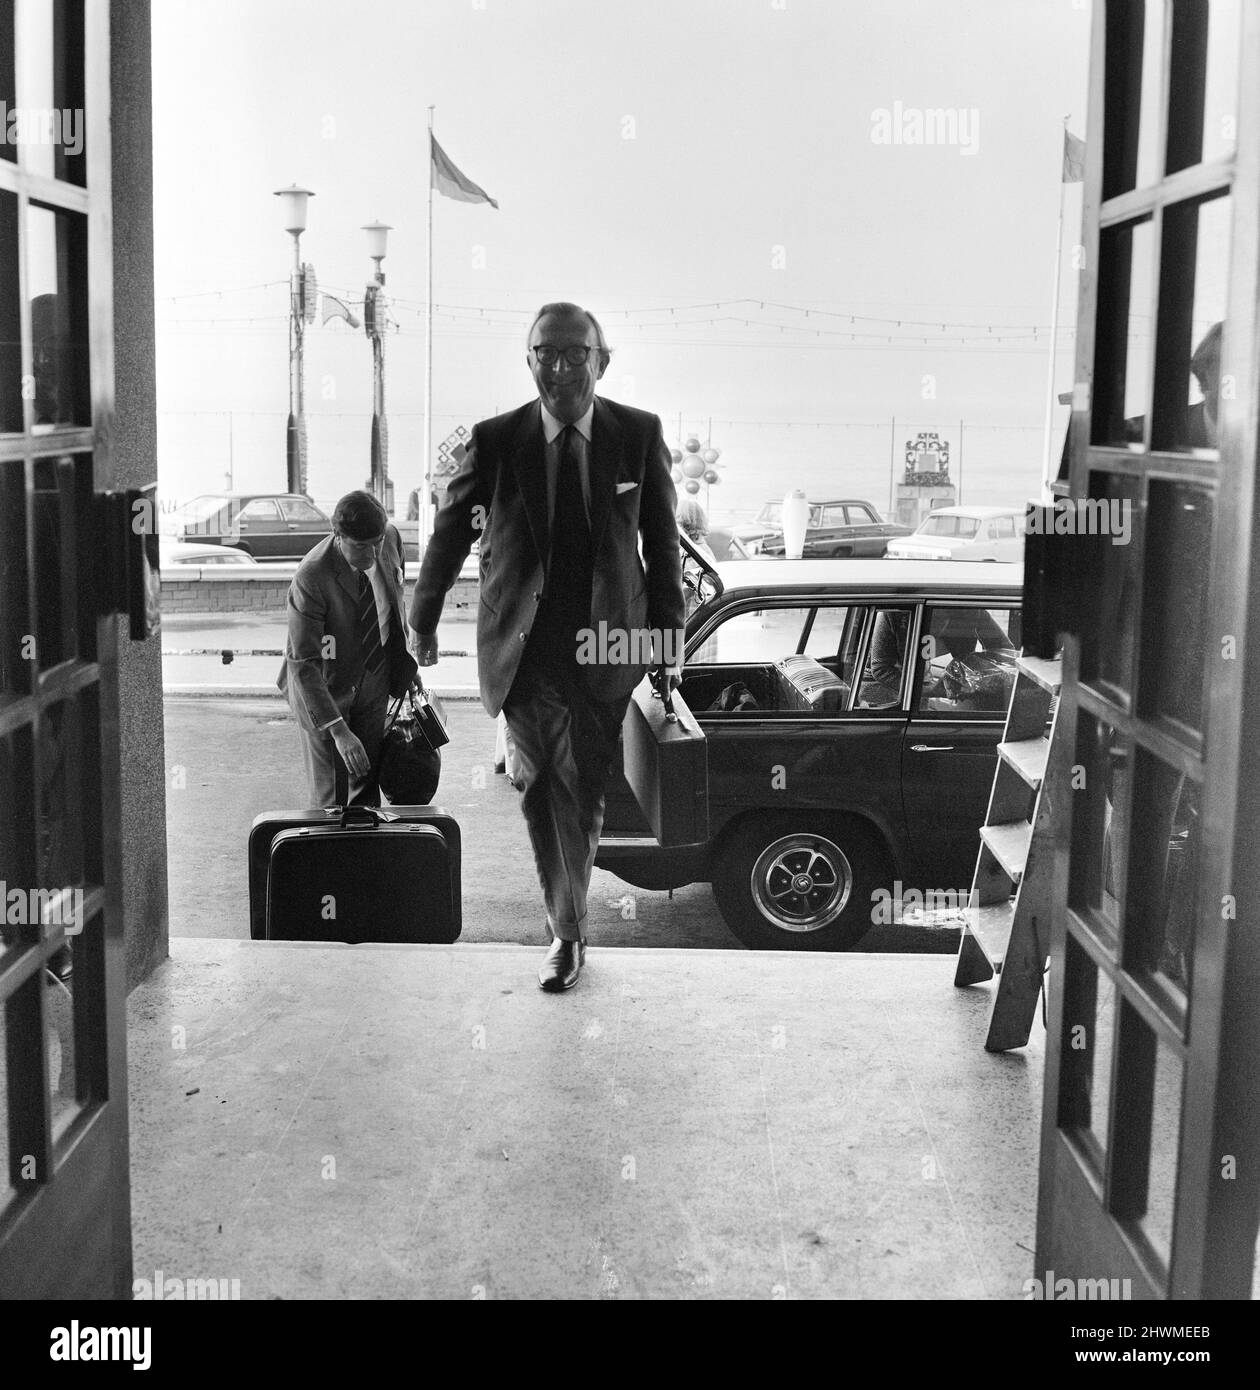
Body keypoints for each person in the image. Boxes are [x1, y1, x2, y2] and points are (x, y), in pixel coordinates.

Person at [409, 301, 685, 992]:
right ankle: (566, 931)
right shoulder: (497, 440)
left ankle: (569, 925)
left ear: (602, 360)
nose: (559, 367)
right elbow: (449, 534)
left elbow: (661, 539)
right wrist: (423, 619)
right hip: (522, 647)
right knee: (540, 788)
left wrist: (669, 639)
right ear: (528, 359)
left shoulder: (637, 435)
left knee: (585, 789)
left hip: (606, 643)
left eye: (575, 354)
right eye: (545, 353)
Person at [278, 490, 418, 807]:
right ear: (338, 536)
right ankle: (330, 853)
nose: (372, 553)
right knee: (333, 797)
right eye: (360, 546)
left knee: (366, 781)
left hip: (376, 675)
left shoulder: (391, 539)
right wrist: (339, 732)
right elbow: (304, 665)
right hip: (325, 688)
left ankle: (365, 851)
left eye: (377, 542)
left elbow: (395, 607)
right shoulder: (312, 577)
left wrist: (406, 666)